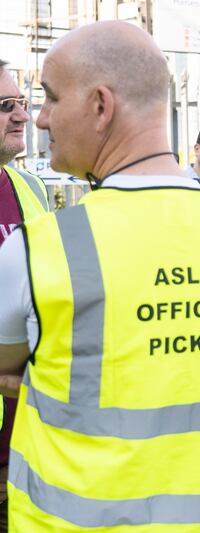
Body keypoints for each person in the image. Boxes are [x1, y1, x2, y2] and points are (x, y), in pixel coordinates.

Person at [0, 21, 200, 531]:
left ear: (100, 105)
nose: (40, 118)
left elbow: (8, 367)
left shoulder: (43, 249)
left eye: (49, 98)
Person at [0, 58, 48, 533]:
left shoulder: (28, 187)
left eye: (21, 102)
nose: (21, 116)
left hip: (28, 445)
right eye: (4, 106)